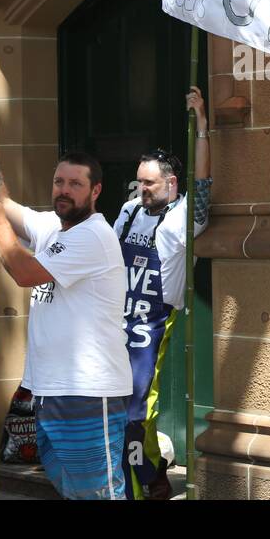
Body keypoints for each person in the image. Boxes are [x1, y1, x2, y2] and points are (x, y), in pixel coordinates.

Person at [0, 106, 132, 500]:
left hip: (88, 392)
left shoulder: (93, 235)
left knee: (98, 494)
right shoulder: (51, 227)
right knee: (73, 492)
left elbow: (24, 272)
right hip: (49, 391)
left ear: (95, 191)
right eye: (59, 181)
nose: (64, 189)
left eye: (75, 184)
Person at [115, 86, 212, 500]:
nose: (142, 190)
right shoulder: (129, 210)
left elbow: (204, 183)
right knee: (115, 407)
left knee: (138, 408)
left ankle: (145, 483)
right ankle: (148, 471)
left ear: (172, 183)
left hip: (152, 323)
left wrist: (202, 126)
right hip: (115, 321)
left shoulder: (186, 214)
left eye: (150, 183)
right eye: (139, 183)